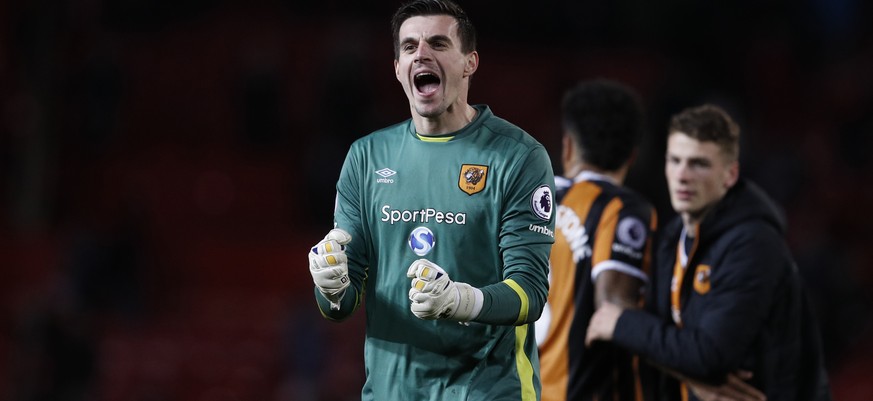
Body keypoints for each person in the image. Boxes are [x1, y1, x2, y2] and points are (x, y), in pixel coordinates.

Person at [306, 0, 556, 400]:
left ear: (469, 62)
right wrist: (331, 287)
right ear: (397, 69)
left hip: (490, 390)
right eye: (409, 47)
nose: (421, 53)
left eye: (438, 43)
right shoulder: (367, 158)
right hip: (391, 392)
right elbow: (341, 304)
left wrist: (459, 300)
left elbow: (529, 292)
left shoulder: (519, 157)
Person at [586, 104, 832, 401]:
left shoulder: (753, 244)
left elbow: (710, 355)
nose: (682, 175)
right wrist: (689, 375)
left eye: (699, 164)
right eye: (675, 161)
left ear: (730, 175)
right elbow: (659, 340)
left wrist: (621, 323)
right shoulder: (671, 238)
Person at [534, 79, 656, 401]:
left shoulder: (527, 202)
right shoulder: (621, 209)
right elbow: (614, 312)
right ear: (632, 156)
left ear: (568, 146)